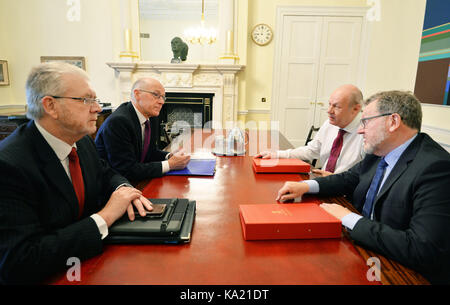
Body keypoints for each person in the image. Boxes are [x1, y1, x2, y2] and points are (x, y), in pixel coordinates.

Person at [0, 62, 153, 284]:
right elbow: (19, 261)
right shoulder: (9, 166)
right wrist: (106, 215)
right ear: (50, 106)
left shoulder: (80, 141)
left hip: (89, 265)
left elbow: (106, 172)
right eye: (86, 100)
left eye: (95, 100)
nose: (97, 108)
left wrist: (124, 189)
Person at [276, 90, 450, 284]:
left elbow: (422, 249)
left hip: (399, 272)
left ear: (393, 122)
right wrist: (305, 186)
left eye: (366, 121)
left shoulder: (436, 168)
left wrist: (348, 218)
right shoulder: (380, 151)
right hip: (364, 250)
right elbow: (348, 179)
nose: (359, 130)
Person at [257, 84, 364, 177]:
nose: (329, 110)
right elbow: (311, 151)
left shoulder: (366, 133)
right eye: (329, 104)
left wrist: (337, 179)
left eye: (336, 106)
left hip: (347, 193)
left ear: (355, 109)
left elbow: (367, 178)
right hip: (325, 181)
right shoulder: (329, 124)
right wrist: (277, 154)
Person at [95, 77, 190, 181]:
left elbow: (150, 152)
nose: (162, 102)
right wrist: (170, 165)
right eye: (156, 95)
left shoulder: (151, 117)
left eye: (163, 97)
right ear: (137, 94)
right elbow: (126, 170)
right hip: (112, 185)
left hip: (135, 179)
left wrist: (170, 156)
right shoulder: (119, 122)